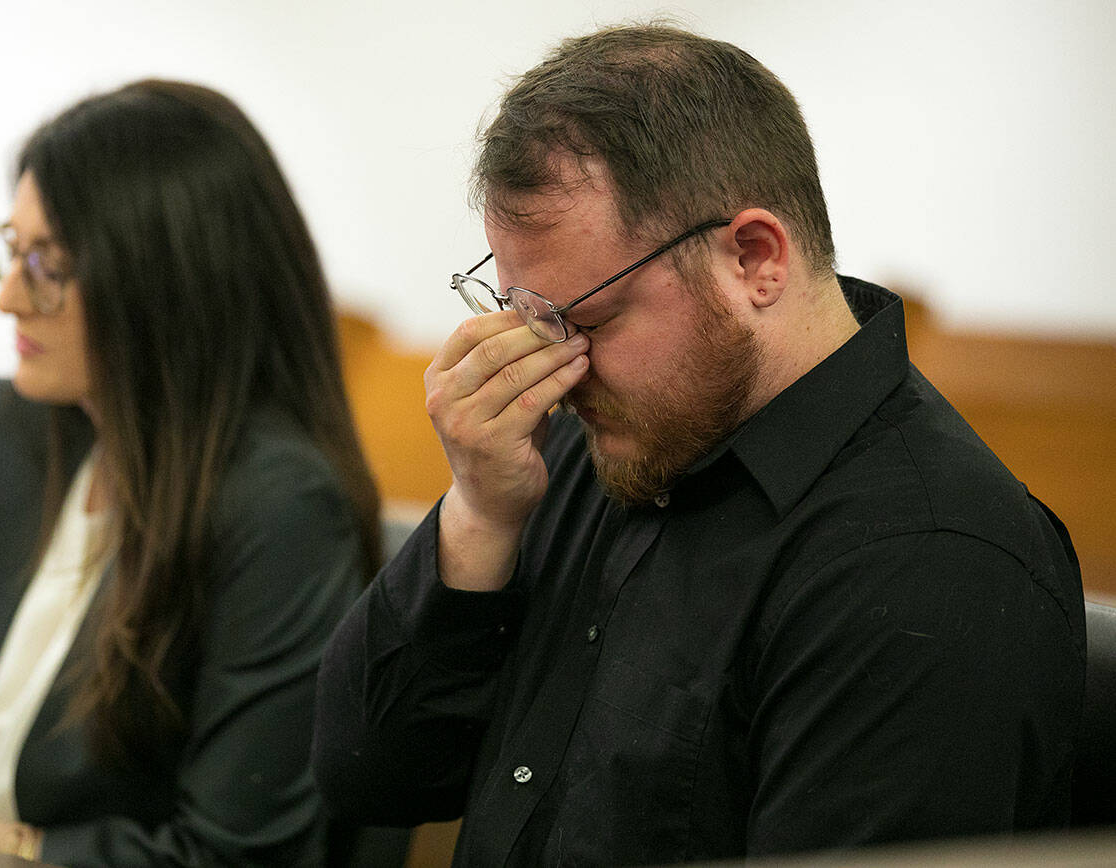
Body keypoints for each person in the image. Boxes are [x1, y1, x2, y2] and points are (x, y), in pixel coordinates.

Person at [312, 23, 1085, 865]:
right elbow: (372, 779)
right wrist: (479, 513)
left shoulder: (932, 562)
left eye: (586, 319)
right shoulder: (582, 449)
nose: (557, 367)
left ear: (755, 258)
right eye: (530, 315)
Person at [0, 79, 380, 866]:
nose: (9, 297)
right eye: (14, 251)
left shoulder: (282, 509)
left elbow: (230, 855)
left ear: (165, 280)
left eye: (47, 264)